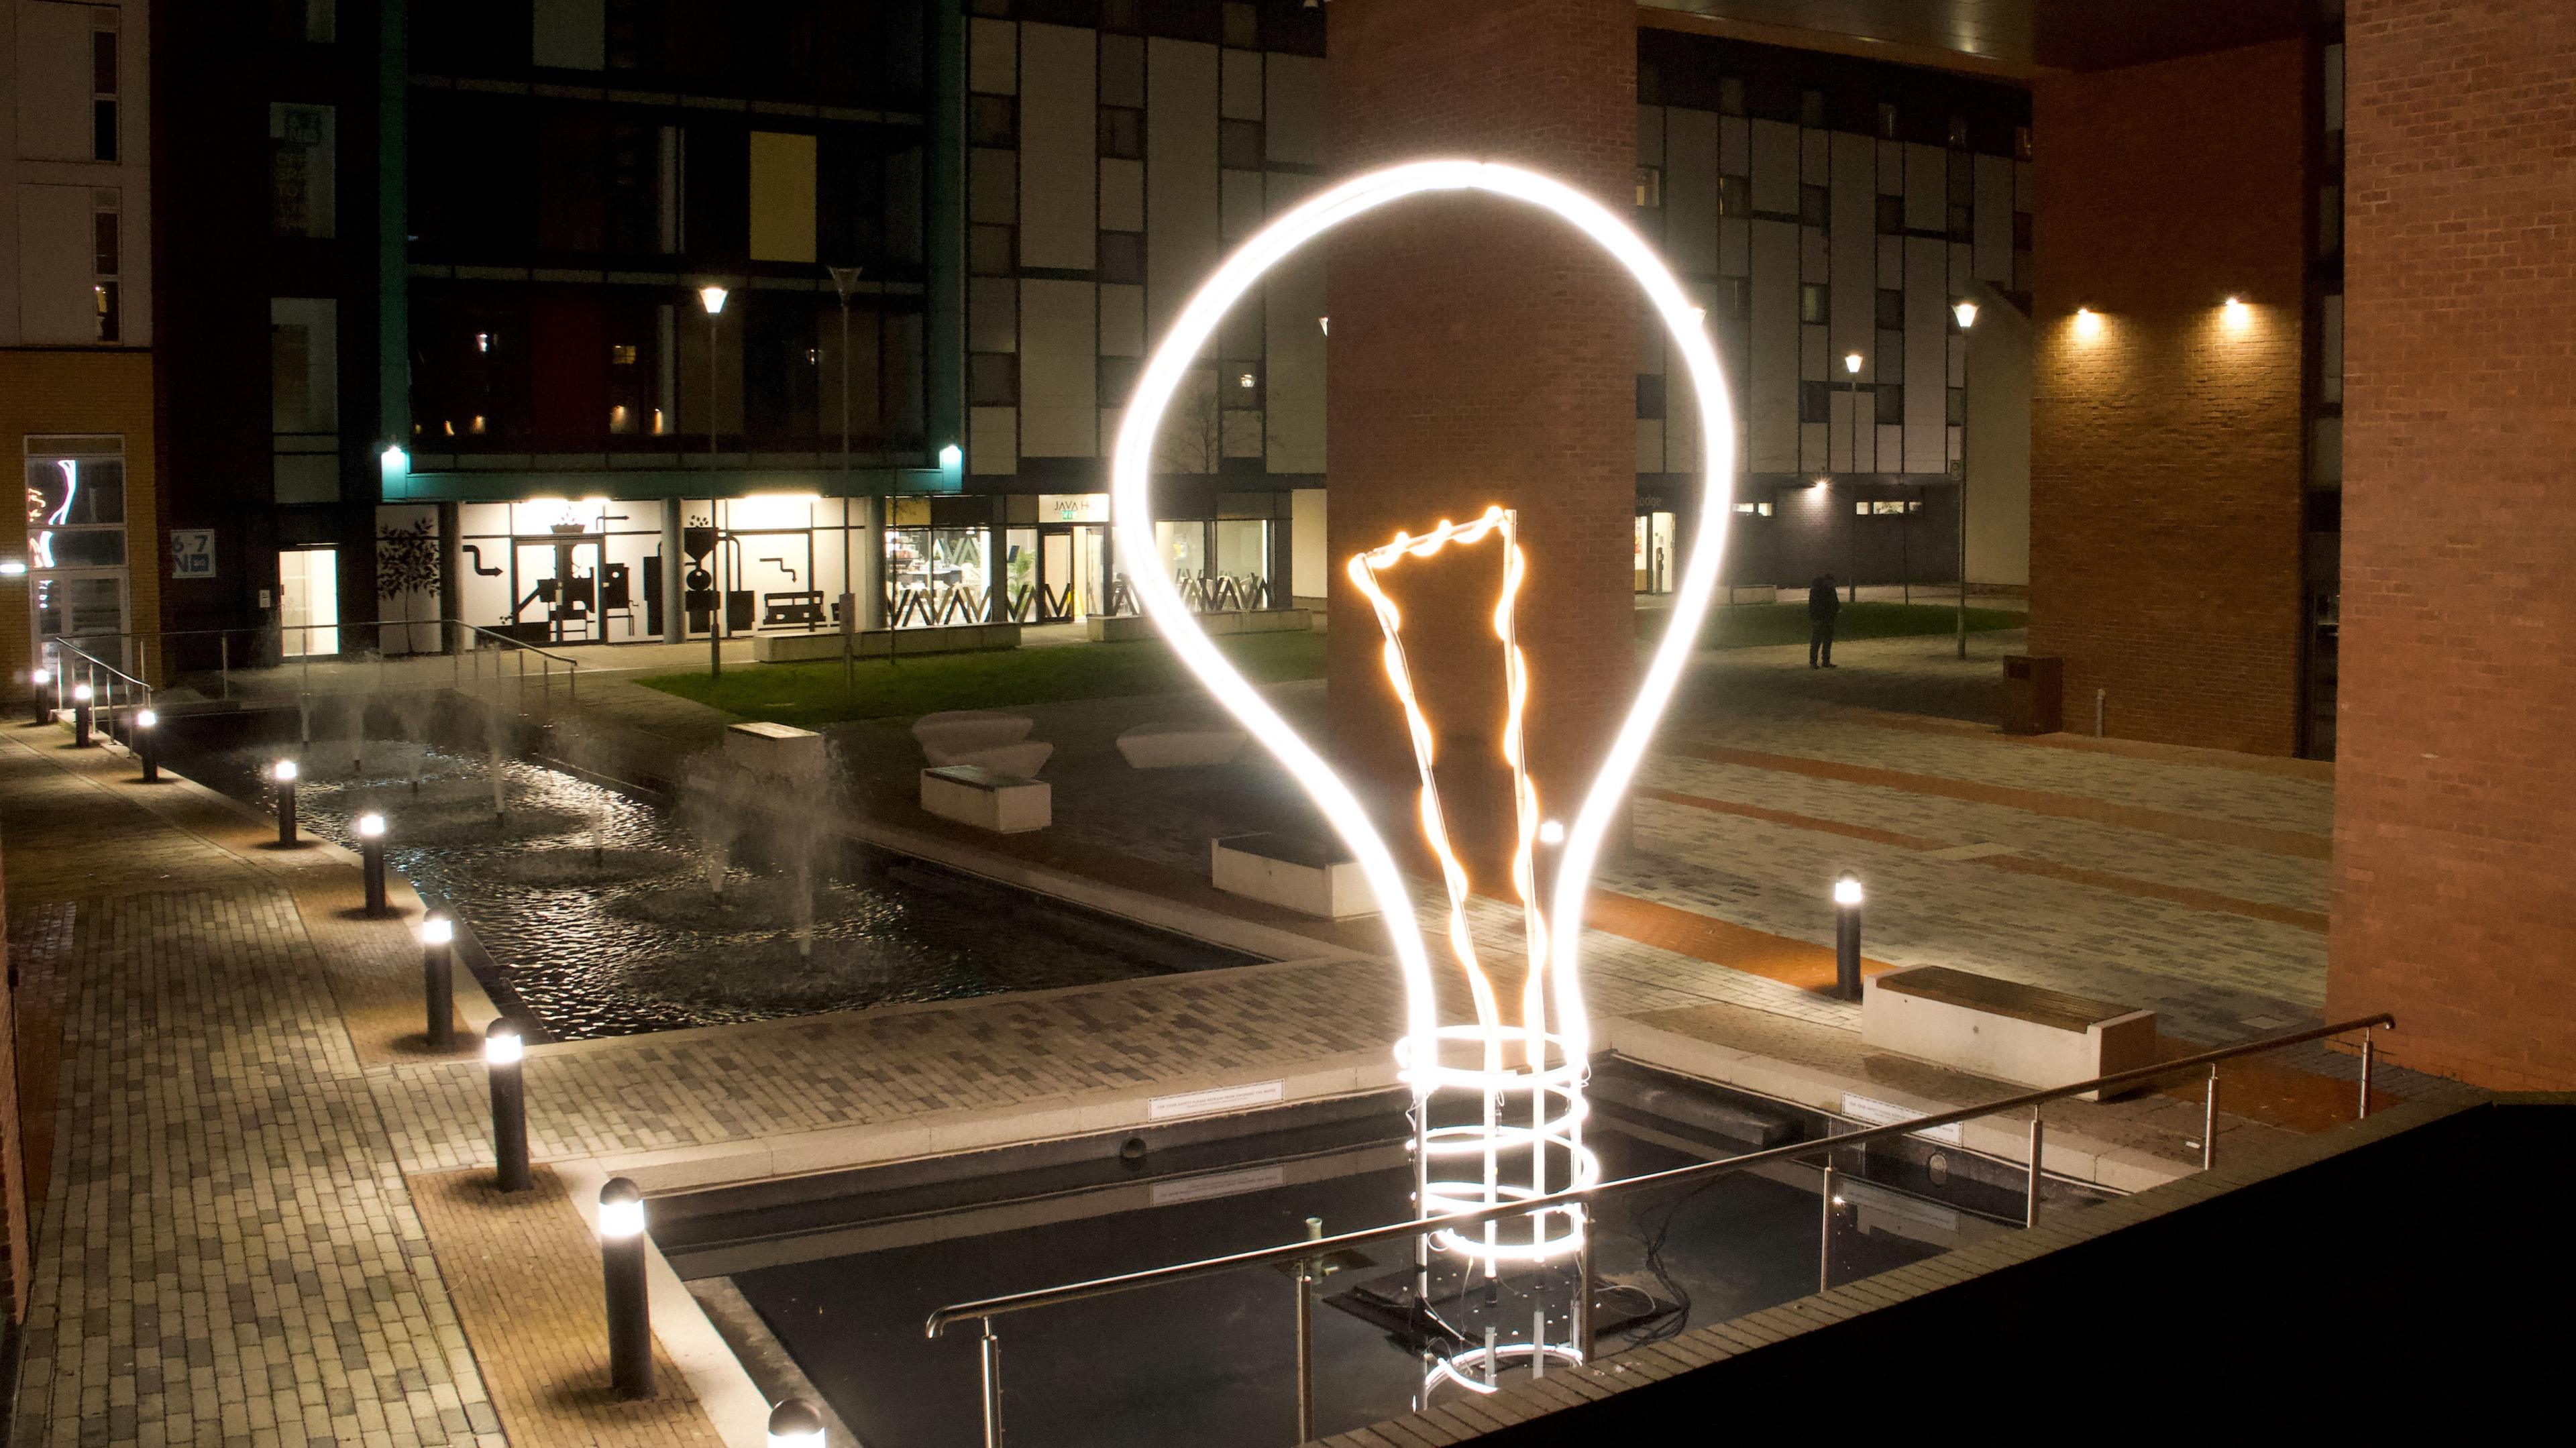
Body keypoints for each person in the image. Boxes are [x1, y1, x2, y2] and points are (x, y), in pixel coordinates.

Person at [1808, 573, 1840, 669]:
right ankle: (1813, 662)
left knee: (1827, 640)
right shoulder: (1816, 589)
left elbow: (1835, 601)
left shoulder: (1831, 589)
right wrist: (1815, 618)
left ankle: (1826, 661)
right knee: (1817, 641)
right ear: (1827, 581)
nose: (1833, 585)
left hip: (1829, 618)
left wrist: (1837, 609)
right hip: (1820, 618)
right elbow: (1813, 605)